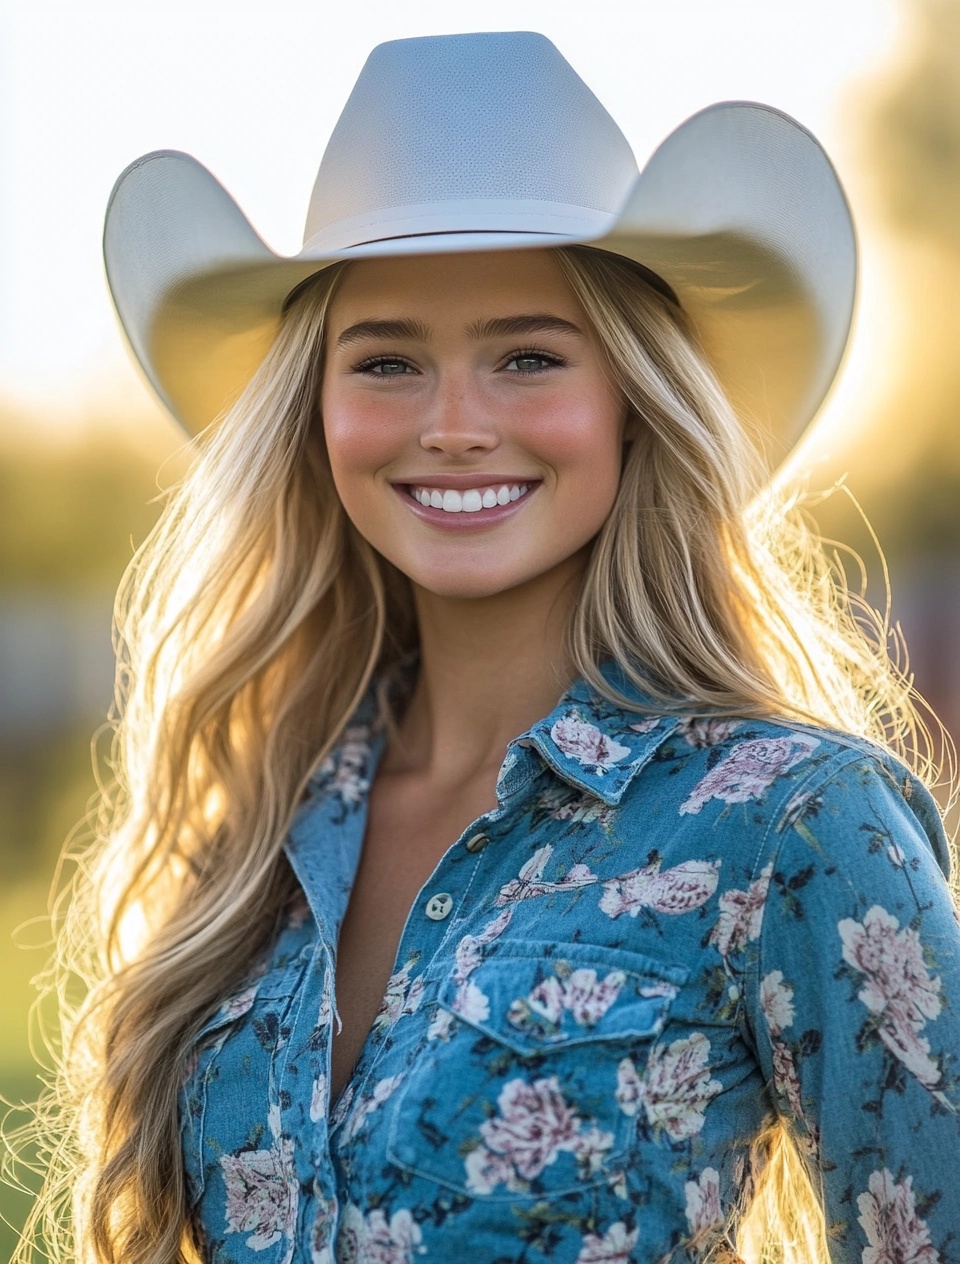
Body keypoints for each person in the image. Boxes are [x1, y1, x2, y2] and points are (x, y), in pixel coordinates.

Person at [26, 30, 960, 1264]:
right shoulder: (265, 821)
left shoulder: (792, 823)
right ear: (318, 414)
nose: (455, 425)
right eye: (388, 360)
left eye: (527, 356)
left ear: (632, 402)